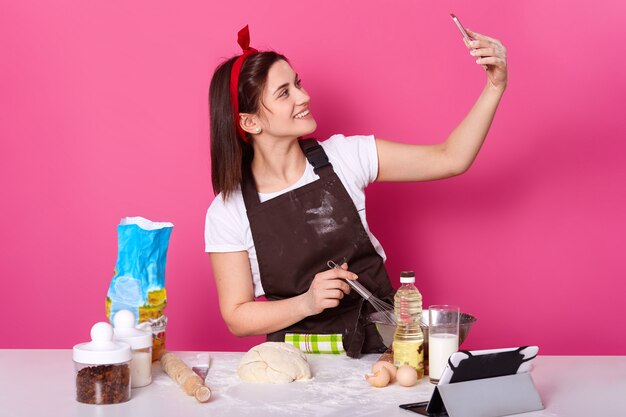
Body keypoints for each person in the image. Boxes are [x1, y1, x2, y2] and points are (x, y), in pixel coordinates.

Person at [205, 25, 507, 357]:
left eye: (298, 83)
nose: (303, 97)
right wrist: (307, 302)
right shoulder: (228, 210)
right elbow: (236, 317)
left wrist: (495, 86)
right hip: (298, 363)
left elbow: (450, 158)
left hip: (385, 350)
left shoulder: (346, 157)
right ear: (250, 123)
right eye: (284, 92)